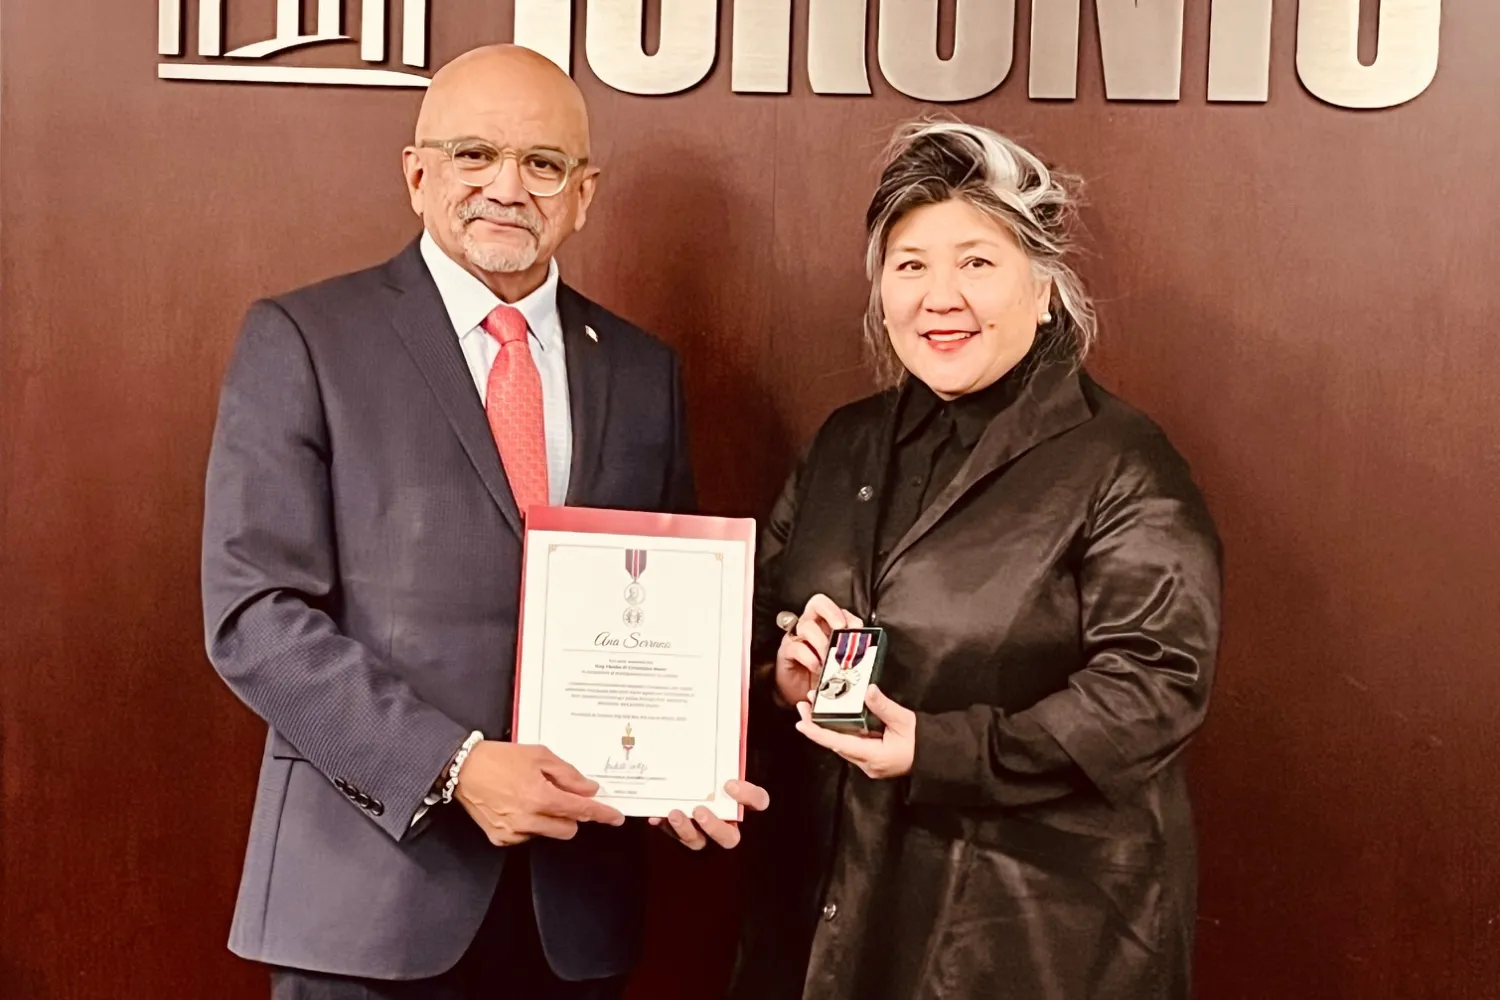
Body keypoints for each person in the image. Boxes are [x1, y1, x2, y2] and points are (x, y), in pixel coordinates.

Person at [201, 44, 766, 1000]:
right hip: (370, 898)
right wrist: (452, 767)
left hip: (573, 906)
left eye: (543, 163)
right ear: (418, 174)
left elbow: (669, 604)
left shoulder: (640, 369)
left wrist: (692, 755)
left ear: (583, 193)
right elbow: (254, 616)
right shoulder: (304, 338)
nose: (508, 187)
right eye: (474, 155)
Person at [731, 120, 1222, 1000]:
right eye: (911, 264)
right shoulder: (845, 445)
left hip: (1036, 932)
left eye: (977, 262)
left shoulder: (1121, 460)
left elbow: (1155, 687)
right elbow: (755, 613)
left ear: (1045, 291)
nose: (939, 295)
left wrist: (941, 750)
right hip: (834, 906)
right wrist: (782, 675)